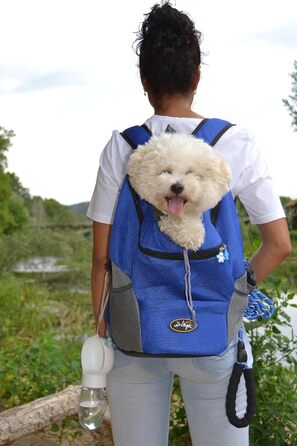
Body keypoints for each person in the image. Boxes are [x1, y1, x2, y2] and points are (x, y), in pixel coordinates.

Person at [86, 2, 292, 445]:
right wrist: (237, 293)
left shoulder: (122, 147)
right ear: (197, 75)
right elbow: (278, 244)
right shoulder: (236, 142)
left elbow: (102, 258)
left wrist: (102, 335)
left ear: (144, 82)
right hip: (213, 328)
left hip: (133, 333)